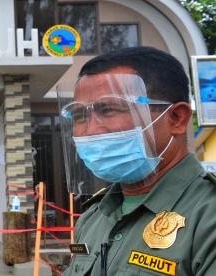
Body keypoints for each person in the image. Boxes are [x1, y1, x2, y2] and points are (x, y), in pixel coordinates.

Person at [61, 47, 216, 275]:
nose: (89, 130)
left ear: (177, 118)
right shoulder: (92, 217)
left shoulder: (207, 216)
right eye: (79, 115)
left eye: (109, 109)